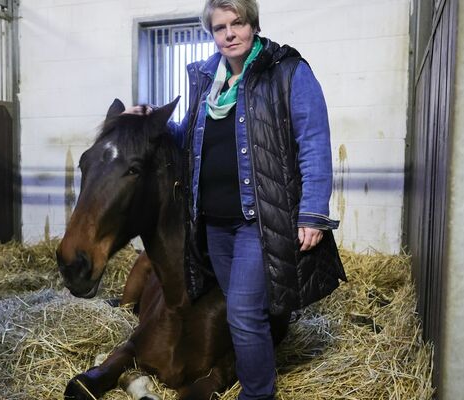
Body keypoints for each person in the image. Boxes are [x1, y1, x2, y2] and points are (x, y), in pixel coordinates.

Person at [129, 1, 346, 398]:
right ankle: (250, 366)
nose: (229, 34)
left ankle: (258, 393)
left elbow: (313, 142)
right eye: (219, 27)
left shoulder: (285, 71)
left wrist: (313, 212)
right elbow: (190, 136)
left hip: (258, 220)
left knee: (244, 313)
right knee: (241, 310)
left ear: (252, 24)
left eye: (237, 23)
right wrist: (148, 118)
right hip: (213, 221)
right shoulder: (207, 78)